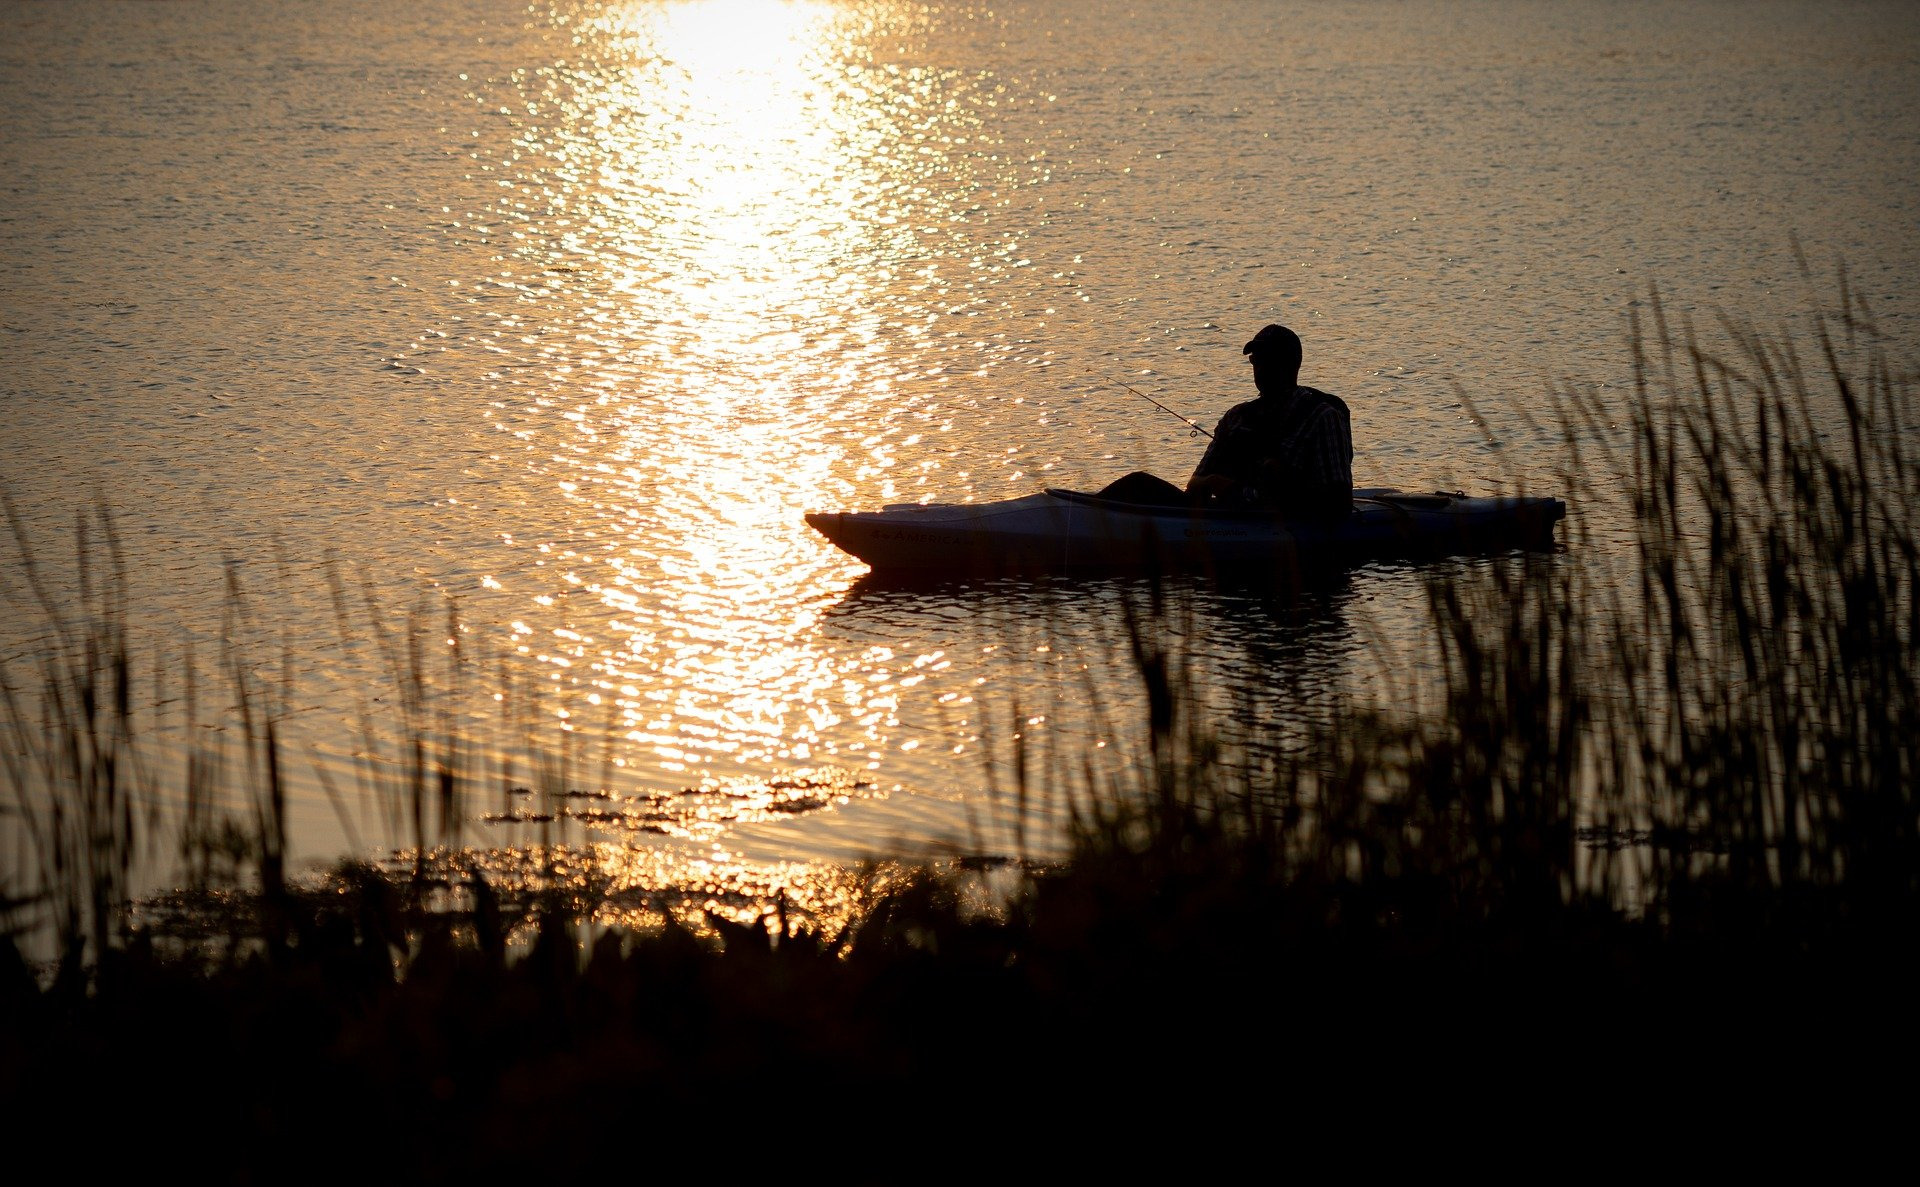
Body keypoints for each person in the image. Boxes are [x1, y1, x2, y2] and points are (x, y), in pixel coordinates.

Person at [1099, 323, 1353, 517]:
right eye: (1255, 360)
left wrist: (1280, 481)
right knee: (1138, 482)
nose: (1259, 367)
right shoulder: (1237, 417)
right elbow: (1195, 484)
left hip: (1275, 521)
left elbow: (1339, 503)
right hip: (1224, 517)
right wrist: (1211, 483)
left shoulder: (1321, 417)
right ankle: (1082, 515)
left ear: (1291, 365)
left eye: (1267, 360)